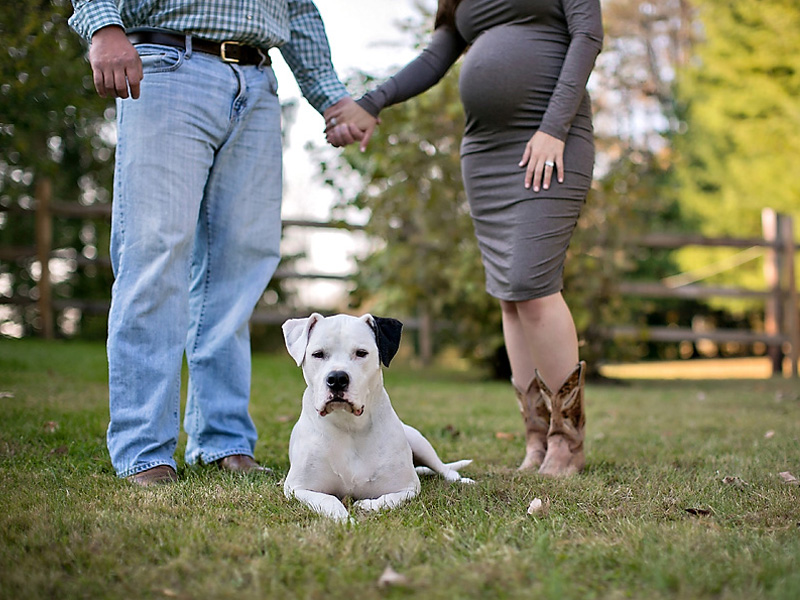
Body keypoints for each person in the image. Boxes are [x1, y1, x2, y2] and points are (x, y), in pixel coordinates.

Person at [68, 0, 374, 486]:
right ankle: (144, 450)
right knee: (155, 258)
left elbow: (297, 10)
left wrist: (331, 97)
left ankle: (222, 440)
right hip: (167, 66)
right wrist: (103, 25)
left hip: (257, 83)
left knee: (239, 270)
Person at [326, 0, 603, 476]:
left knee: (533, 285)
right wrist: (371, 103)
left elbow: (587, 36)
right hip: (486, 151)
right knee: (511, 298)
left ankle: (567, 441)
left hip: (550, 138)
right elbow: (436, 57)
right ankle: (536, 438)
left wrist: (553, 128)